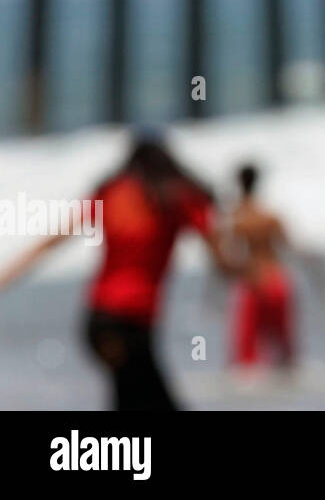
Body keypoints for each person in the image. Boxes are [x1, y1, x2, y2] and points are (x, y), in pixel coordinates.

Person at [0, 133, 232, 410]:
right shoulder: (174, 197)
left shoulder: (111, 192)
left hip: (99, 322)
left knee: (129, 398)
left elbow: (54, 241)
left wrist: (6, 276)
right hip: (132, 324)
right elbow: (218, 252)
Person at [225, 163, 325, 370]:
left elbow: (226, 259)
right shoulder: (270, 217)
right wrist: (322, 276)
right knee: (286, 351)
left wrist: (213, 294)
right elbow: (295, 249)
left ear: (238, 183)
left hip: (253, 285)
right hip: (277, 282)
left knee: (245, 359)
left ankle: (250, 401)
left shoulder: (236, 219)